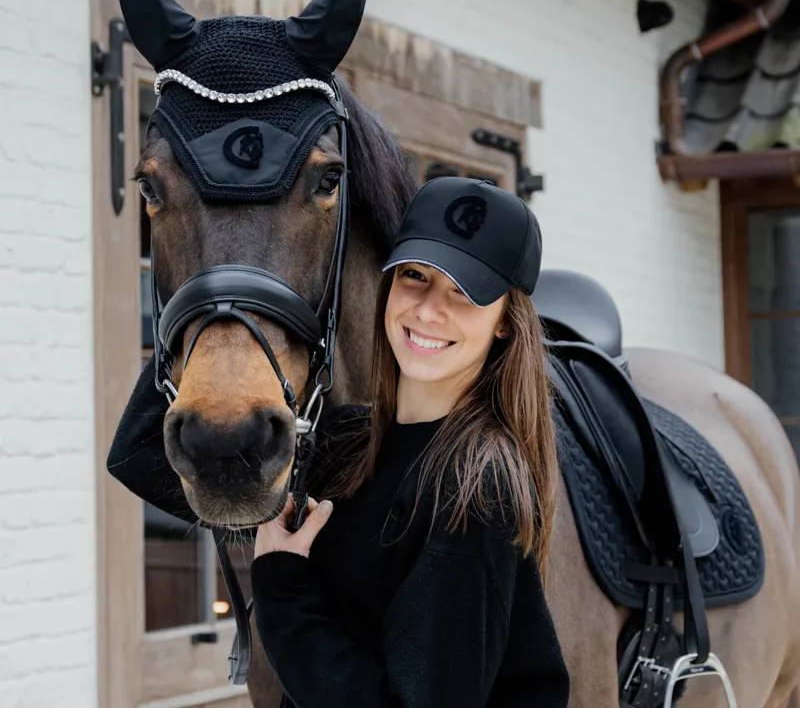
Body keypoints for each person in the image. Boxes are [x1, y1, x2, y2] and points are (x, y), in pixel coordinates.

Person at [108, 176, 570, 707]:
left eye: (464, 293)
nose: (426, 310)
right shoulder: (348, 440)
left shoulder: (474, 487)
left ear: (506, 323)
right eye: (415, 276)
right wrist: (224, 296)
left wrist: (282, 587)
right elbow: (138, 452)